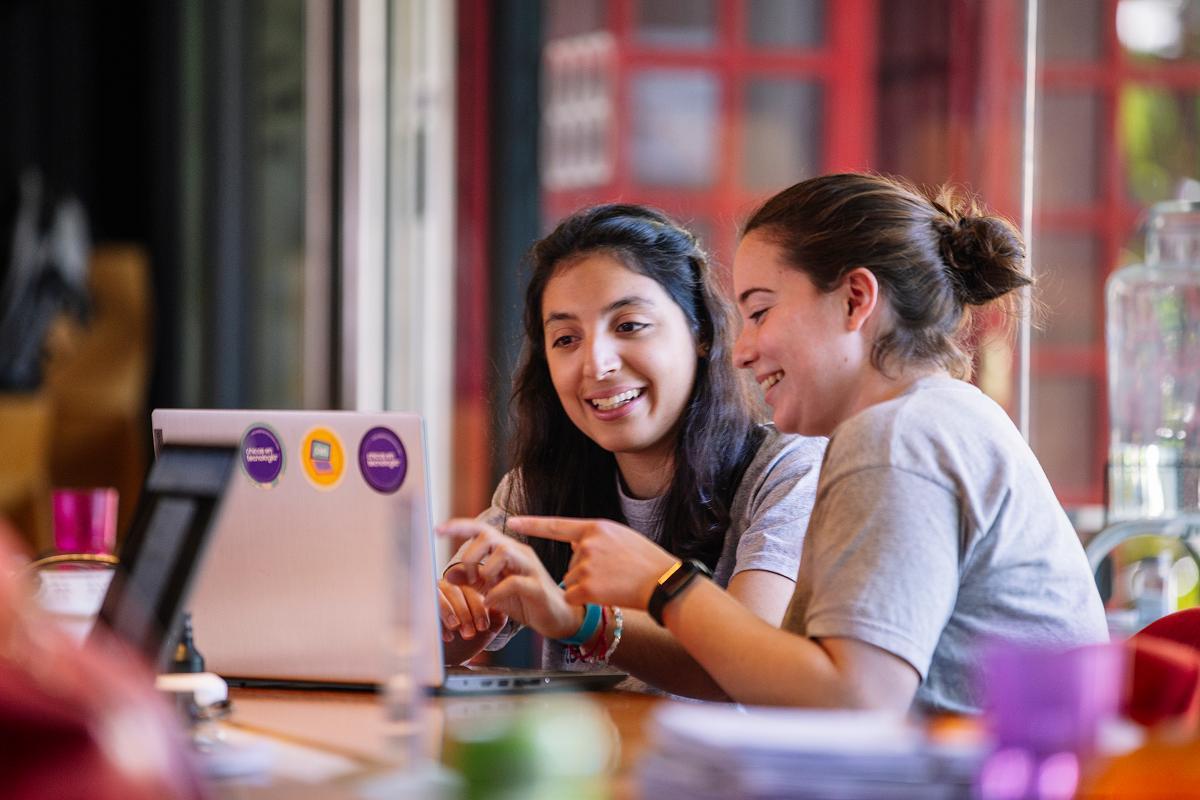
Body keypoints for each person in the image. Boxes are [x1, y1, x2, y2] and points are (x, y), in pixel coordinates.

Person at [484, 173, 1109, 714]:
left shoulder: (895, 437)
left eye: (759, 311)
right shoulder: (936, 417)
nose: (743, 348)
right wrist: (589, 615)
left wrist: (664, 584)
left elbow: (854, 704)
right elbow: (772, 676)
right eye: (563, 339)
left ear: (855, 300)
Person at [438, 203, 826, 699]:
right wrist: (451, 612)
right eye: (565, 339)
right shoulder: (536, 488)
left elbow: (748, 669)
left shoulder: (785, 471)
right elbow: (438, 643)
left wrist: (579, 620)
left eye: (628, 326)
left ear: (701, 332)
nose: (595, 364)